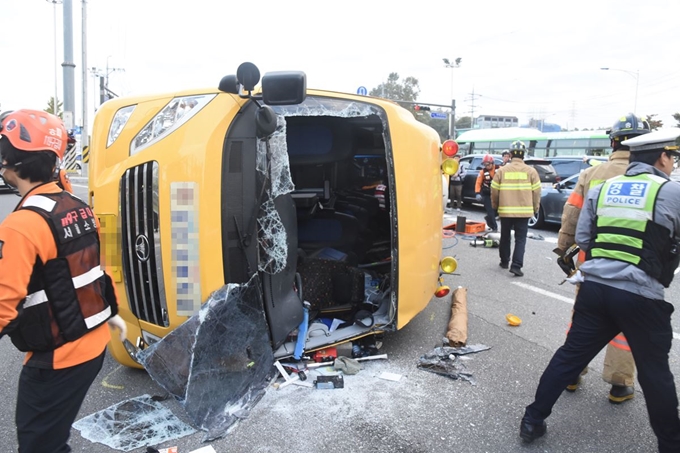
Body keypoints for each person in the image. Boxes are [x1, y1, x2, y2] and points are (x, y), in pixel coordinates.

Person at [520, 129, 680, 452]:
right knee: (655, 375)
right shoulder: (670, 191)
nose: (673, 164)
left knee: (569, 357)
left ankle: (532, 420)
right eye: (672, 158)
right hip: (641, 297)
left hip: (594, 291)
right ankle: (671, 443)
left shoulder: (602, 188)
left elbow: (585, 239)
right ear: (662, 157)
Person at [0, 109, 126, 452]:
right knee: (51, 438)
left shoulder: (21, 225)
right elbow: (101, 267)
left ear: (14, 161)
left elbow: (3, 307)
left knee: (39, 444)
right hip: (93, 342)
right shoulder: (76, 205)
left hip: (58, 357)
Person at [556, 113, 651, 403]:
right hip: (635, 266)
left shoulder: (591, 174)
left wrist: (563, 249)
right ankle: (620, 384)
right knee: (626, 326)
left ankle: (571, 373)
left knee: (583, 318)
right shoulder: (652, 178)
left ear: (613, 141)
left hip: (592, 264)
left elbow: (572, 214)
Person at [490, 140, 541, 276]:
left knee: (505, 236)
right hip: (524, 212)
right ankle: (516, 266)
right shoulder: (532, 172)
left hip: (506, 211)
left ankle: (505, 261)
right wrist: (535, 208)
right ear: (524, 154)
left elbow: (494, 190)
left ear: (511, 154)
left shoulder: (501, 171)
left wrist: (495, 206)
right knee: (521, 239)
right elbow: (536, 192)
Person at [475, 154, 498, 231]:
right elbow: (478, 183)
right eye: (485, 164)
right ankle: (495, 227)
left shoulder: (500, 169)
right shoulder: (482, 172)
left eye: (488, 164)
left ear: (492, 163)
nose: (486, 166)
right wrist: (477, 193)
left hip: (497, 194)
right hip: (487, 194)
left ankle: (489, 219)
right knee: (490, 210)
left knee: (497, 211)